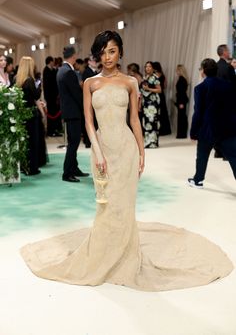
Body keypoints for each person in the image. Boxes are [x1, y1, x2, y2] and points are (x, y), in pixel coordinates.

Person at [21, 31, 233, 291]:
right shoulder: (90, 83)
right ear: (97, 54)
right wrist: (97, 152)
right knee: (106, 205)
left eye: (112, 50)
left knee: (125, 205)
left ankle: (125, 257)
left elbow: (134, 119)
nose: (107, 57)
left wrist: (142, 152)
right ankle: (103, 256)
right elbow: (88, 121)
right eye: (103, 52)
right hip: (103, 149)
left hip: (126, 150)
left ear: (120, 51)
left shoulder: (131, 82)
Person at [188, 58, 236, 188]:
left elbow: (198, 112)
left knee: (202, 156)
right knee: (234, 157)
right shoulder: (229, 85)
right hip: (228, 128)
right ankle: (197, 179)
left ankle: (198, 180)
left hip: (208, 129)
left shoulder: (200, 88)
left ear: (203, 71)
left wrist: (193, 132)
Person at [56, 46, 89, 182]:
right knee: (74, 142)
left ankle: (74, 168)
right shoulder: (68, 72)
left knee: (73, 142)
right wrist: (85, 107)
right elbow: (76, 94)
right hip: (73, 112)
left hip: (68, 111)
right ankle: (67, 173)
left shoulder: (61, 70)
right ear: (73, 56)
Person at [16, 56, 43, 175]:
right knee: (33, 142)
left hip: (22, 115)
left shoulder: (17, 80)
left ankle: (24, 166)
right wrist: (40, 86)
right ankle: (32, 168)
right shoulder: (30, 81)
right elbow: (36, 96)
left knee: (24, 142)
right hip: (31, 115)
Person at [140, 61, 161, 148]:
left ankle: (153, 142)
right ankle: (147, 141)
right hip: (145, 103)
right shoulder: (145, 77)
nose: (147, 68)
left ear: (152, 68)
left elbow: (159, 90)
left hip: (153, 103)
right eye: (146, 66)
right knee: (147, 122)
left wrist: (148, 88)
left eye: (149, 66)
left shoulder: (155, 77)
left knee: (152, 121)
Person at [42, 56, 62, 137]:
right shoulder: (46, 70)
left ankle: (55, 129)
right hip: (50, 96)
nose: (54, 62)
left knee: (56, 113)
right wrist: (47, 97)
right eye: (53, 61)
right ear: (50, 61)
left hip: (55, 96)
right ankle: (50, 130)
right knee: (51, 113)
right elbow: (46, 85)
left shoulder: (53, 70)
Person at [153, 61, 171, 135]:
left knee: (157, 112)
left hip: (156, 94)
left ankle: (159, 130)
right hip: (162, 95)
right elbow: (165, 85)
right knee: (163, 112)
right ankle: (166, 130)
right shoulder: (162, 75)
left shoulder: (154, 75)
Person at [175, 64, 189, 138]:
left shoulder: (181, 80)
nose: (176, 71)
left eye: (177, 70)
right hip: (181, 100)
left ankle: (182, 134)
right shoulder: (182, 79)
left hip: (181, 101)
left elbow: (182, 92)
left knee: (181, 118)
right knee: (182, 117)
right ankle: (181, 134)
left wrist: (181, 103)